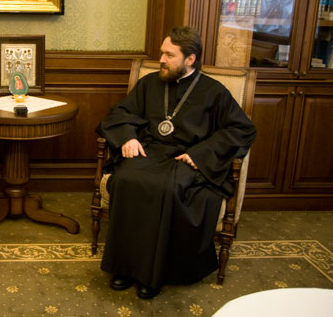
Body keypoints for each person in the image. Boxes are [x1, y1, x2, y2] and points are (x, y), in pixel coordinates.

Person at [96, 26, 256, 300]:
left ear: (190, 59)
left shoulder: (214, 92)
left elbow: (242, 129)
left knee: (168, 189)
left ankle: (153, 274)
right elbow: (120, 113)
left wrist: (201, 154)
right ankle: (125, 266)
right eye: (162, 53)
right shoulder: (150, 83)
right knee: (124, 179)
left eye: (169, 55)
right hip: (149, 152)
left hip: (186, 159)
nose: (161, 59)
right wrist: (128, 137)